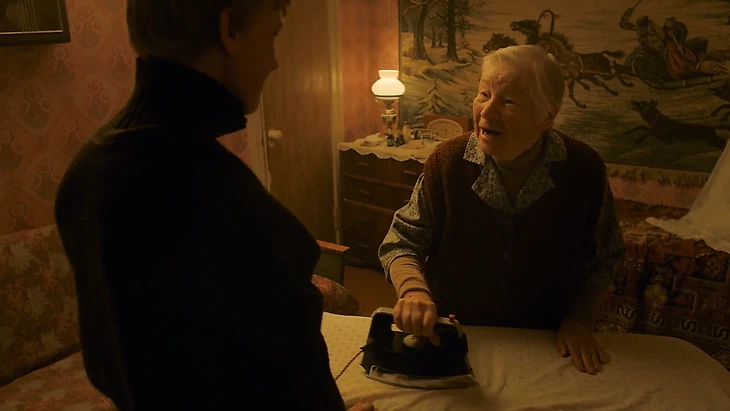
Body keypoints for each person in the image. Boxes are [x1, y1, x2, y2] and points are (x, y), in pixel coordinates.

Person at [54, 1, 373, 410]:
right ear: (230, 30)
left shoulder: (87, 172)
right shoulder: (221, 202)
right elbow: (290, 387)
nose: (275, 61)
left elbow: (115, 361)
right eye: (272, 35)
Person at [378, 45, 626, 376]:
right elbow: (402, 240)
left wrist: (580, 320)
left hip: (548, 344)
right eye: (483, 94)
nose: (486, 111)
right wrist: (413, 290)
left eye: (508, 101)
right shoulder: (448, 163)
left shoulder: (584, 169)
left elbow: (605, 256)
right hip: (453, 335)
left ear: (546, 116)